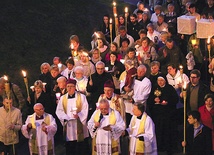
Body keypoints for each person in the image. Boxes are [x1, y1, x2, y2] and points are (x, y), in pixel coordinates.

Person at [56, 78, 89, 155]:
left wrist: (79, 115)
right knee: (70, 147)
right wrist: (65, 117)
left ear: (75, 87)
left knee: (81, 146)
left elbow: (85, 109)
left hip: (79, 124)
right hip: (69, 126)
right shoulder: (63, 98)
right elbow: (59, 110)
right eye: (68, 86)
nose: (70, 88)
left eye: (71, 86)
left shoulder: (82, 97)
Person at [147, 76, 178, 154]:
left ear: (165, 81)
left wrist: (168, 102)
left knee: (167, 131)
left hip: (168, 115)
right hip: (157, 115)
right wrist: (154, 99)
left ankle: (167, 147)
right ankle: (159, 147)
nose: (160, 82)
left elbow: (175, 99)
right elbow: (149, 100)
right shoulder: (154, 88)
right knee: (158, 131)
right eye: (158, 80)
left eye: (161, 80)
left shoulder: (170, 88)